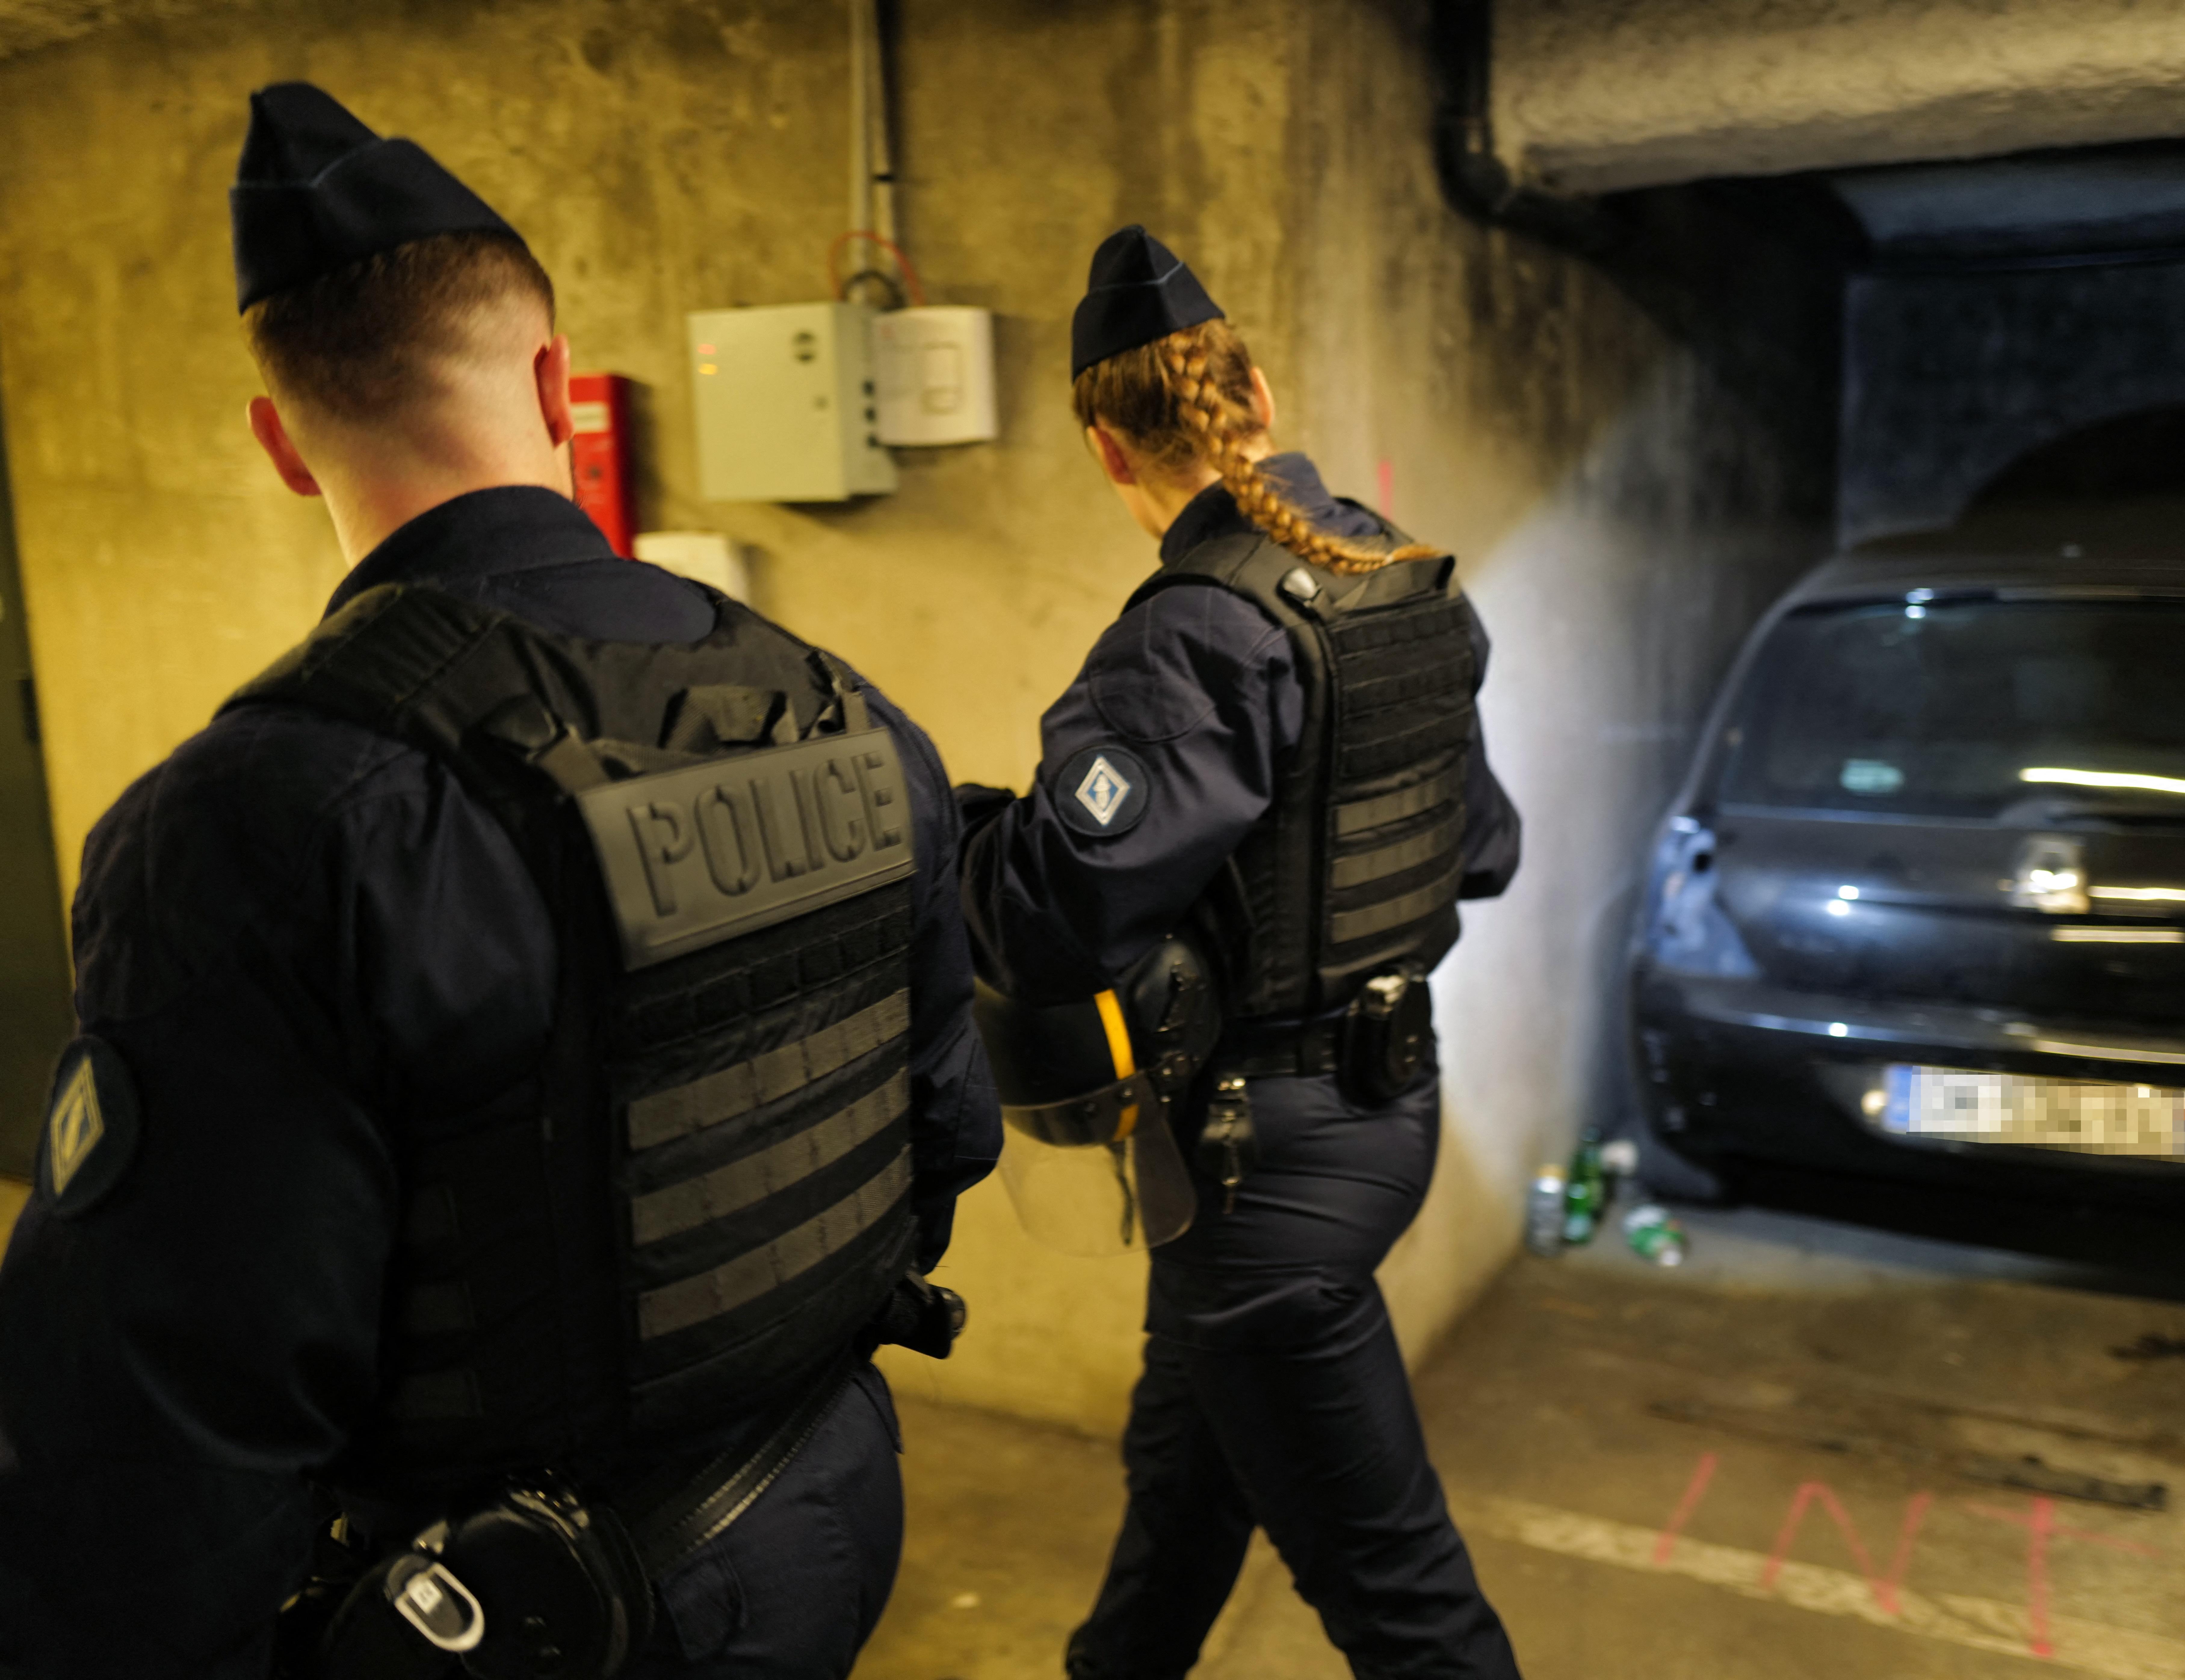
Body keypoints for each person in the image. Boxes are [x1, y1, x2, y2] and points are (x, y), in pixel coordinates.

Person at [0, 84, 999, 1679]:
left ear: (277, 438)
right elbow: (948, 1138)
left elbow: (161, 1433)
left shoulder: (262, 815)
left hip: (520, 1620)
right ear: (549, 375)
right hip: (828, 1499)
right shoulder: (847, 709)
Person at [961, 227, 1525, 1680]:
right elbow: (1482, 851)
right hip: (1382, 1118)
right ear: (1256, 396)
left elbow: (1047, 919)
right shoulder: (1404, 583)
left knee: (1403, 1601)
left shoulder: (1204, 630)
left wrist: (960, 831)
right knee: (1186, 1494)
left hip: (1261, 1169)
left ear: (1105, 447)